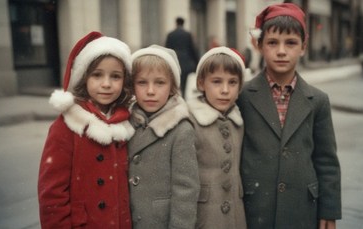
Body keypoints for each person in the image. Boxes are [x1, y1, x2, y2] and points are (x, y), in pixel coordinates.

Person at [237, 3, 341, 229]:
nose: (281, 51)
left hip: (302, 209)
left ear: (303, 47)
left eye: (291, 43)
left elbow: (327, 162)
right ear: (259, 45)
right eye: (272, 42)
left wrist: (329, 211)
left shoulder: (318, 100)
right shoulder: (242, 96)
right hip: (254, 207)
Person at [37, 31, 134, 228]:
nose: (106, 84)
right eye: (97, 75)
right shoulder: (67, 126)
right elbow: (52, 193)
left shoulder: (125, 123)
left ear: (124, 81)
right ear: (84, 77)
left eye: (115, 76)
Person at [128, 45, 200, 228]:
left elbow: (185, 190)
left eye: (159, 83)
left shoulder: (180, 129)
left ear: (172, 87)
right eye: (142, 82)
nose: (150, 91)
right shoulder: (127, 123)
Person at [187, 47, 247, 229]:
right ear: (201, 84)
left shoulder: (239, 121)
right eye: (216, 82)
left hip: (236, 215)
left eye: (232, 83)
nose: (225, 90)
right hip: (204, 215)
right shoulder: (190, 120)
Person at [166, 17, 199, 97]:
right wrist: (197, 62)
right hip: (186, 62)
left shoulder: (171, 35)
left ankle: (176, 96)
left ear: (176, 23)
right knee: (184, 82)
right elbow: (192, 49)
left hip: (175, 60)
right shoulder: (187, 34)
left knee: (176, 81)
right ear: (183, 23)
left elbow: (167, 48)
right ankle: (183, 96)